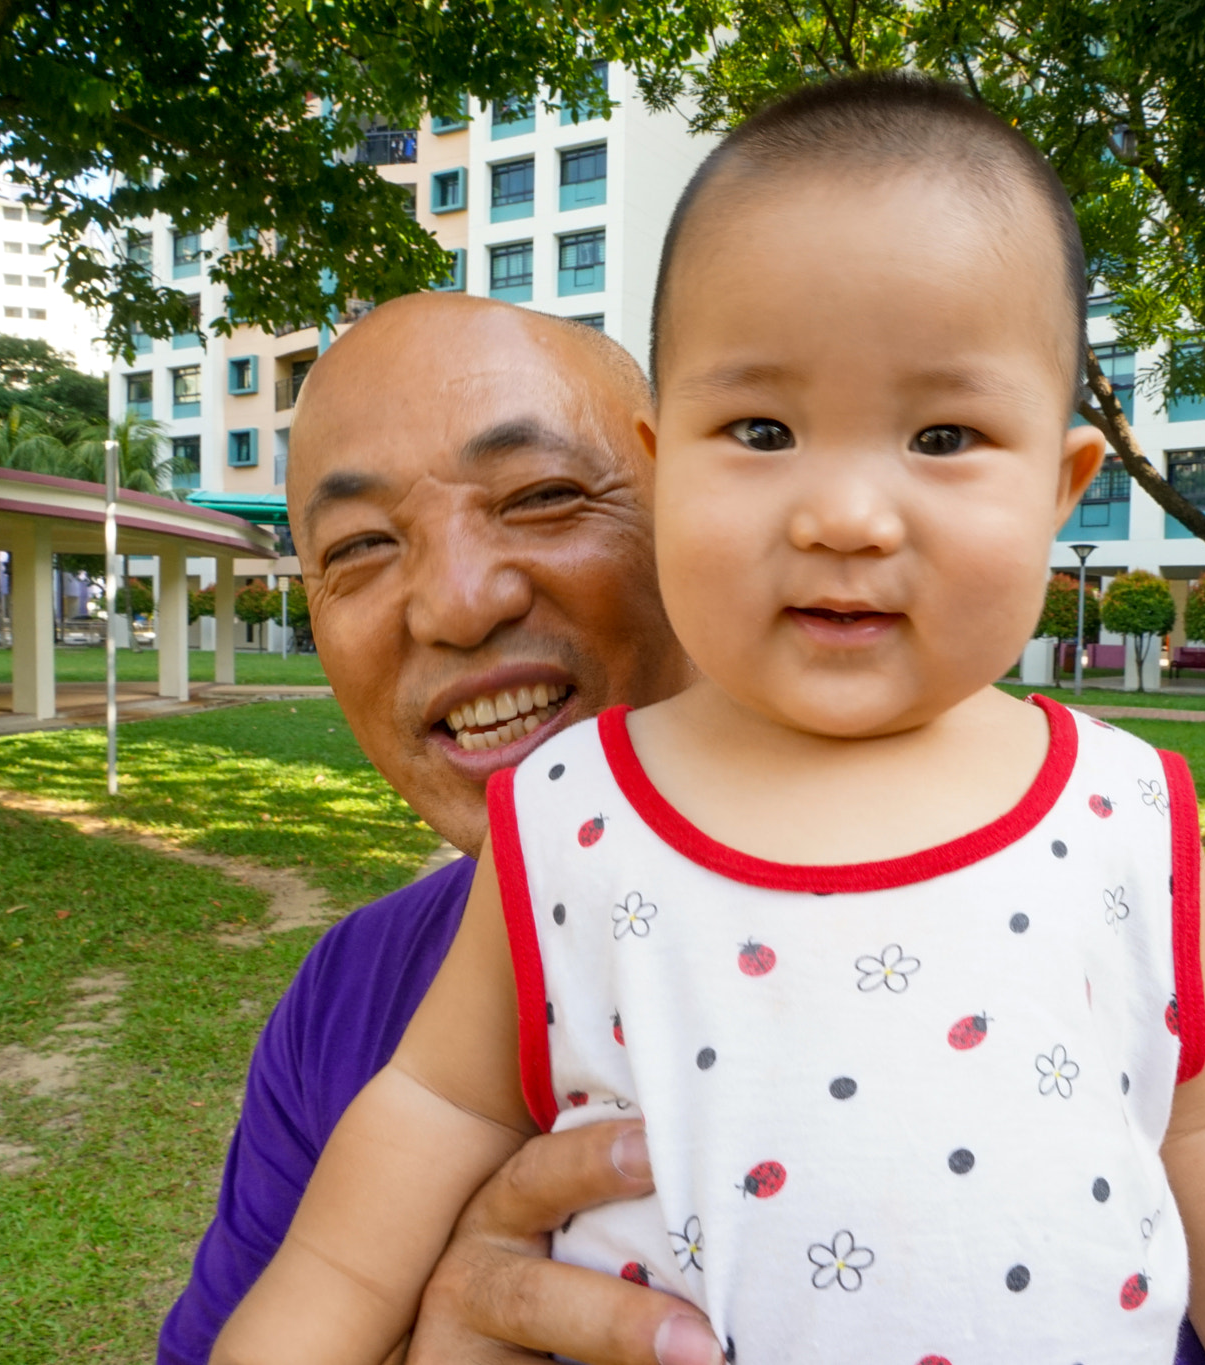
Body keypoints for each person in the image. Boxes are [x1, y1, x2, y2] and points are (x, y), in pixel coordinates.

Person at [211, 74, 1205, 1365]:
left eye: (943, 433)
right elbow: (417, 1125)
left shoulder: (1118, 815)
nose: (844, 513)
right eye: (763, 427)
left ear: (1062, 492)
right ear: (666, 470)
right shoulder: (568, 818)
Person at [159, 294, 732, 1365]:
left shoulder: (1074, 896)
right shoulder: (353, 998)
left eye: (543, 495)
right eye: (361, 547)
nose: (456, 604)